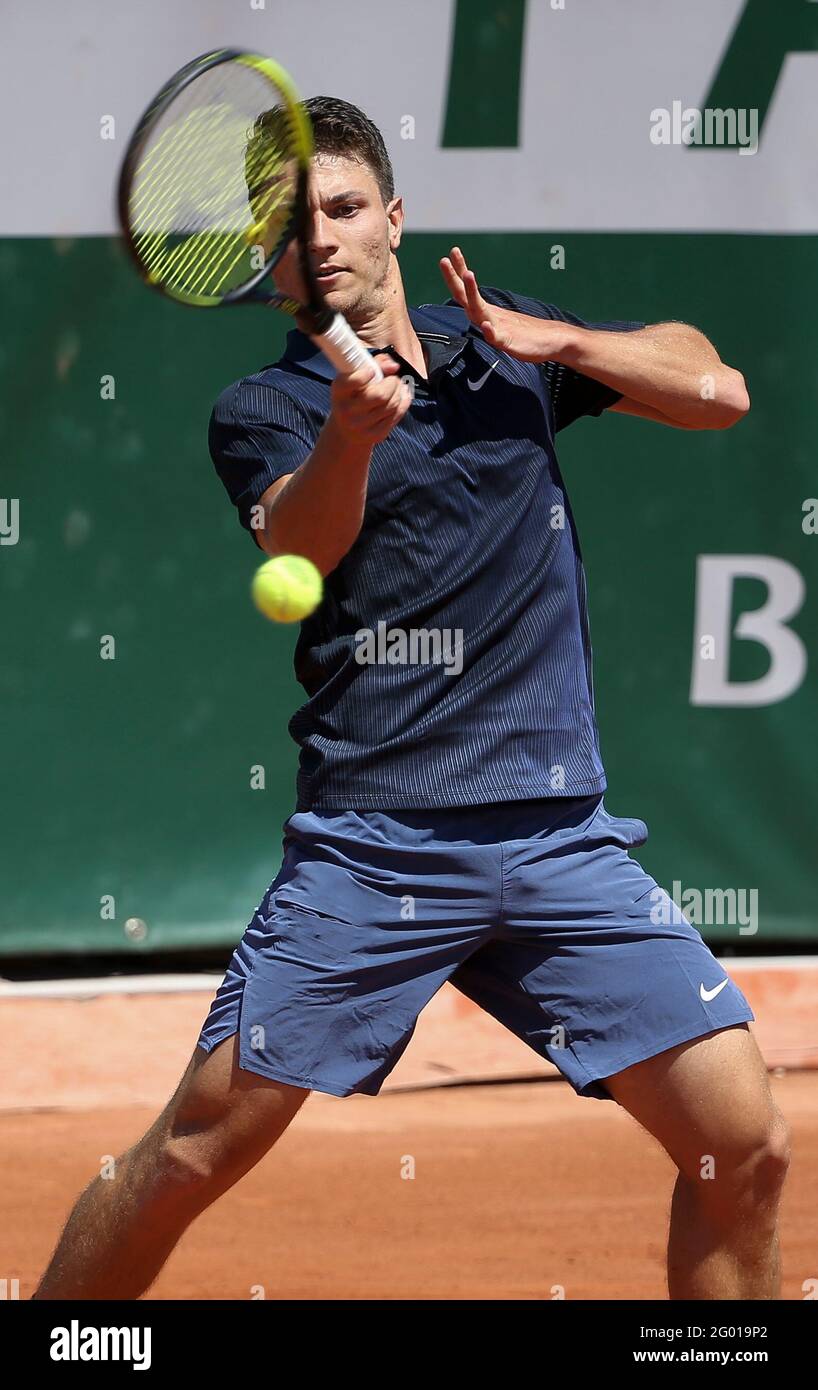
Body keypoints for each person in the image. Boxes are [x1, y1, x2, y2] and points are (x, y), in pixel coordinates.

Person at [35, 98, 788, 1302]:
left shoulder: (503, 349)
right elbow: (300, 541)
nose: (321, 237)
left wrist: (561, 345)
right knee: (190, 1152)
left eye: (342, 207)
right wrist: (348, 438)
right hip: (374, 849)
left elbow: (717, 389)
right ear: (265, 257)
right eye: (291, 223)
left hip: (560, 842)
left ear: (393, 217)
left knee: (742, 1144)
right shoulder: (267, 408)